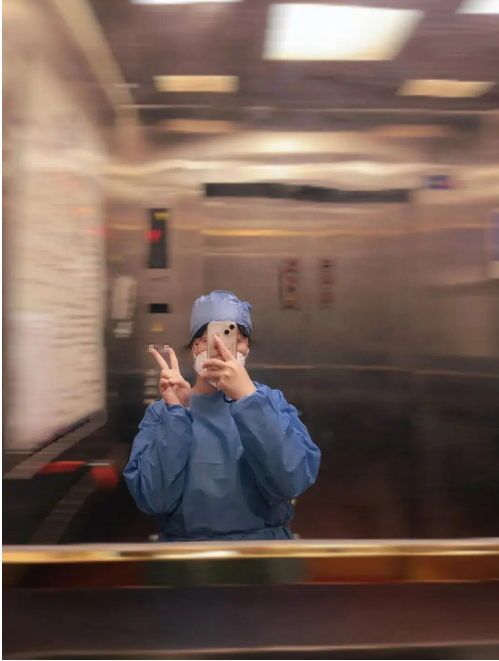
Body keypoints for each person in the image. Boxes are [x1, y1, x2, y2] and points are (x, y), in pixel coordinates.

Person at [124, 290, 320, 541]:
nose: (220, 349)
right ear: (193, 348)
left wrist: (249, 400)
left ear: (246, 349)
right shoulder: (164, 412)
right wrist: (177, 413)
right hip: (186, 555)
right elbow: (155, 500)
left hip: (264, 552)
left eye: (235, 340)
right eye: (209, 339)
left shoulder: (270, 403)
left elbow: (292, 482)